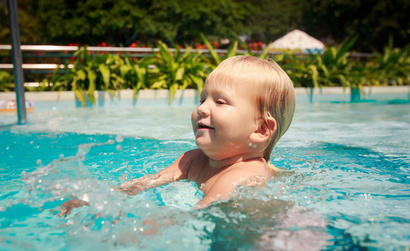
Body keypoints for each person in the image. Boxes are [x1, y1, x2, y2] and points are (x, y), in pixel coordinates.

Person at [59, 55, 295, 217]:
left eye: (220, 102)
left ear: (261, 130)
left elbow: (198, 219)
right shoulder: (192, 159)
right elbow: (147, 182)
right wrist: (96, 197)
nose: (202, 108)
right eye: (203, 99)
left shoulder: (244, 174)